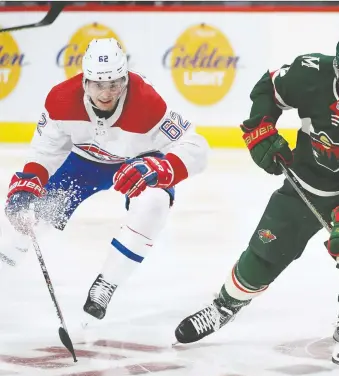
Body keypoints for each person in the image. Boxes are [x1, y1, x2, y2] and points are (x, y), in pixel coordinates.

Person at [174, 21, 339, 368]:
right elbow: (268, 90)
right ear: (337, 65)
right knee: (265, 253)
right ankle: (225, 306)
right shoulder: (310, 72)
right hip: (306, 184)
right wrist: (260, 126)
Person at [2, 38, 209, 320]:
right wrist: (29, 185)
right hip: (84, 163)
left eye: (114, 83)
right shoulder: (61, 99)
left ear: (125, 79)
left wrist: (159, 168)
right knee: (33, 215)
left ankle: (107, 283)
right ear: (84, 81)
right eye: (99, 84)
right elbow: (45, 152)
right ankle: (8, 256)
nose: (107, 93)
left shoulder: (147, 102)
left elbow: (196, 146)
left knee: (155, 203)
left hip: (137, 163)